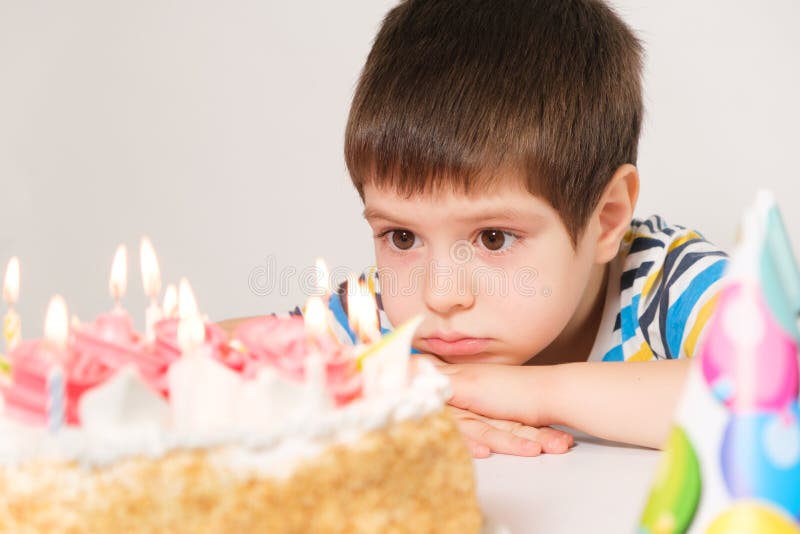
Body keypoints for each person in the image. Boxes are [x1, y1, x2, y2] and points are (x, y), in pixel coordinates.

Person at [219, 0, 727, 458]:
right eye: (402, 237)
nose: (439, 294)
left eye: (492, 238)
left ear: (605, 219)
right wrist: (360, 395)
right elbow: (193, 360)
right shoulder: (382, 322)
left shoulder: (667, 282)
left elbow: (775, 387)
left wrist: (530, 394)